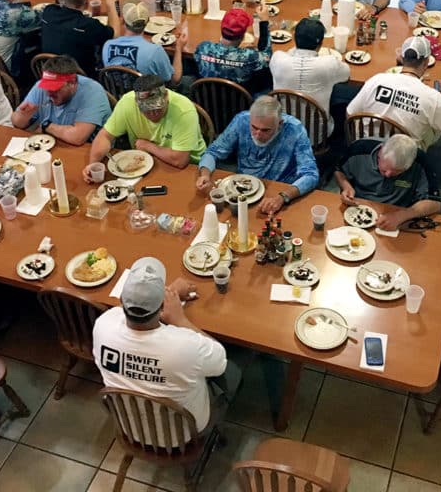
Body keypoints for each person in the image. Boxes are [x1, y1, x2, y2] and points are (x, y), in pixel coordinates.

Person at [92, 257, 238, 433]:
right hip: (183, 434)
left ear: (122, 299)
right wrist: (180, 319)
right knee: (233, 371)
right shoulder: (185, 347)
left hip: (130, 428)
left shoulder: (103, 324)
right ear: (161, 305)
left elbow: (126, 311)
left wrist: (168, 293)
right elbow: (219, 357)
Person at [195, 96, 319, 216]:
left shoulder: (294, 129)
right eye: (254, 128)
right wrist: (205, 174)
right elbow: (212, 152)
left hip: (278, 192)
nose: (258, 134)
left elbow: (311, 174)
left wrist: (283, 196)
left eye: (265, 130)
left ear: (280, 124)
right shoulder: (241, 120)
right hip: (243, 189)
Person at [346, 37, 441, 150]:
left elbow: (350, 113)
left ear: (401, 58)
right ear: (426, 62)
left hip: (365, 147)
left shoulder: (376, 80)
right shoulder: (433, 98)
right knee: (434, 125)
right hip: (402, 157)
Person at [83, 75, 206, 180]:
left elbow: (180, 160)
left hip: (190, 167)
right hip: (145, 165)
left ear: (166, 96)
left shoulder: (183, 110)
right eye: (146, 110)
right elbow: (105, 136)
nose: (153, 114)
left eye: (158, 108)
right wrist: (93, 164)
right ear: (137, 103)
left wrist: (148, 146)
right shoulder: (127, 102)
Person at [334, 135, 441, 230]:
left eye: (398, 171)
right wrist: (346, 186)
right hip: (358, 209)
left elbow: (435, 203)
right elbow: (339, 171)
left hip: (397, 218)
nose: (388, 175)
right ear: (380, 151)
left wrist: (400, 216)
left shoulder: (421, 161)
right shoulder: (359, 149)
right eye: (385, 170)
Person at [268, 18, 351, 133]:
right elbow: (346, 74)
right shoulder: (329, 63)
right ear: (320, 44)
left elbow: (289, 54)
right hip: (317, 136)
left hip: (283, 131)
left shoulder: (277, 58)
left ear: (294, 38)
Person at [11, 56, 111, 145]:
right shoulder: (40, 87)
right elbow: (16, 122)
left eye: (55, 88)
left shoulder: (92, 91)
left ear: (72, 83)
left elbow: (77, 138)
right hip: (55, 143)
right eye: (47, 86)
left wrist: (46, 126)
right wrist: (24, 116)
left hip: (90, 148)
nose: (49, 93)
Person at [40, 0, 122, 76]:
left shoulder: (48, 12)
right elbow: (115, 35)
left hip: (51, 73)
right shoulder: (87, 26)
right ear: (86, 2)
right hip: (80, 78)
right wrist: (110, 4)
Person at [102, 1, 185, 85]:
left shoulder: (107, 45)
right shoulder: (155, 51)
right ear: (147, 22)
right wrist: (179, 48)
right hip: (148, 97)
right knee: (188, 79)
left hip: (118, 95)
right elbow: (174, 79)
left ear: (123, 21)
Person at [193, 6, 272, 93]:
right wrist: (264, 22)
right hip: (240, 105)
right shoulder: (250, 57)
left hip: (205, 102)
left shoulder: (203, 48)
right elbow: (267, 56)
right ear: (243, 36)